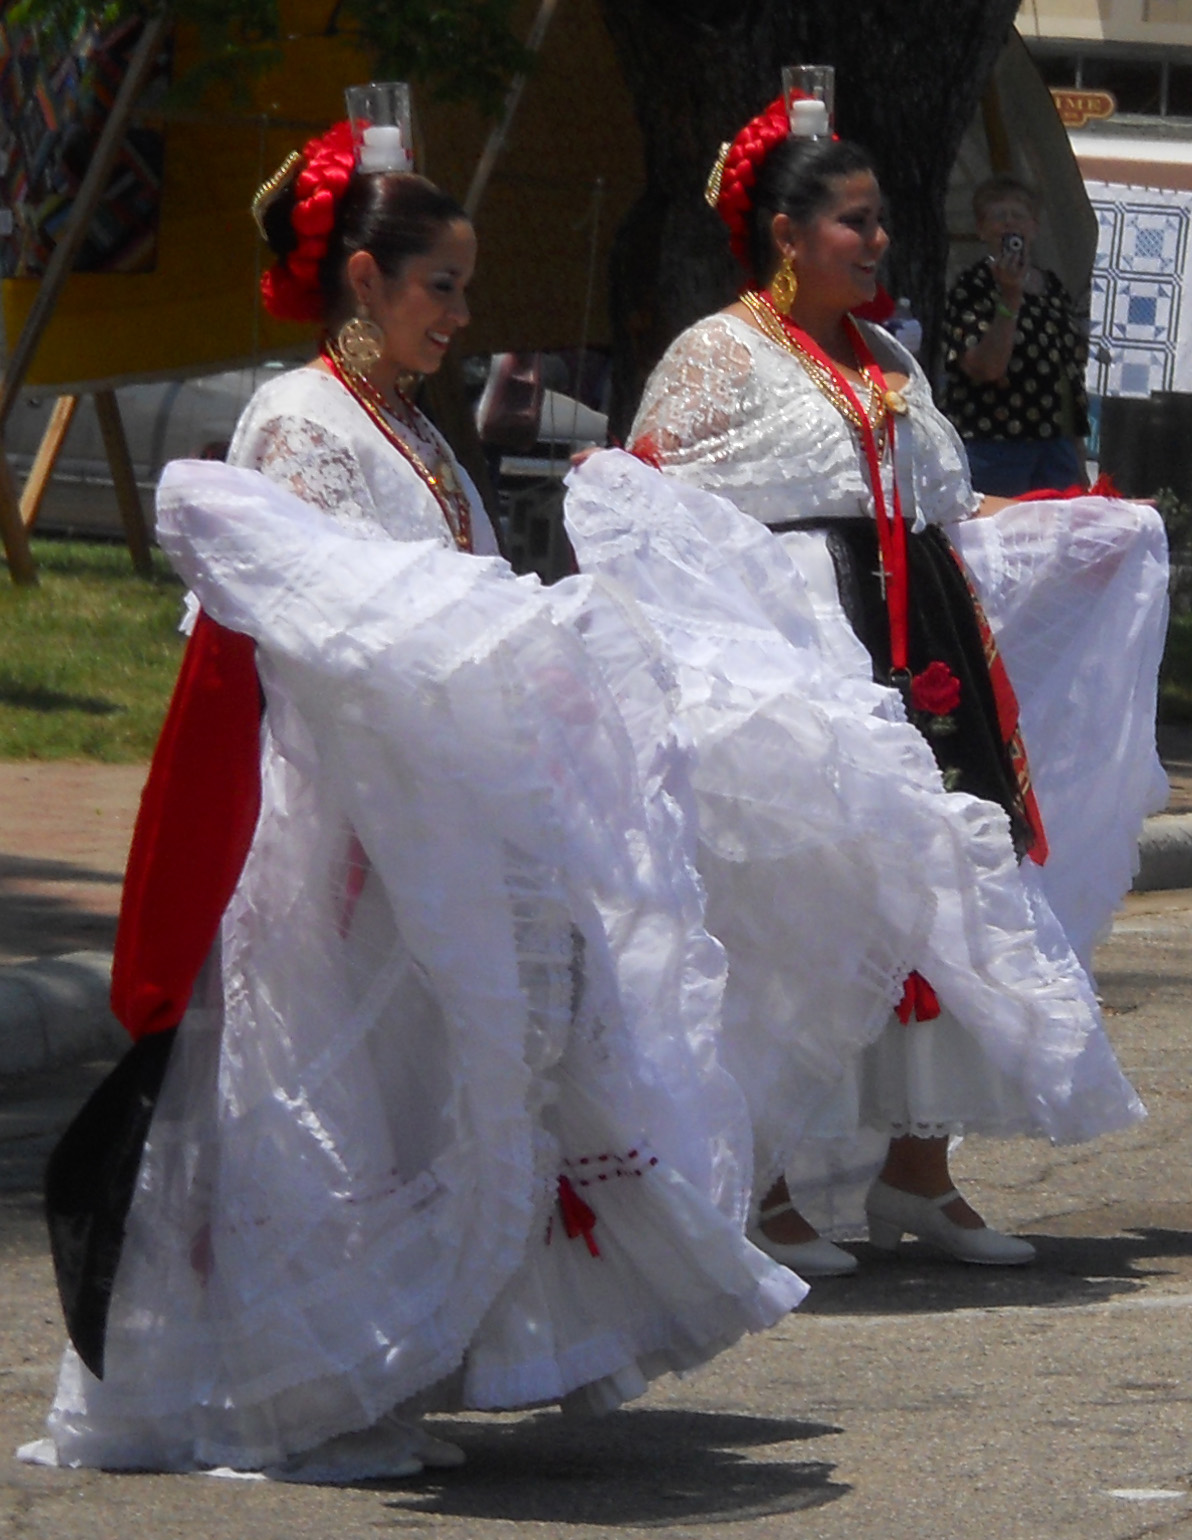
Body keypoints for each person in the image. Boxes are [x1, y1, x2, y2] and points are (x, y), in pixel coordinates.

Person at [20, 111, 805, 1482]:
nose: (460, 313)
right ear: (364, 279)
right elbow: (315, 624)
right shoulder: (297, 421)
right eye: (441, 285)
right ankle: (295, 1397)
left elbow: (450, 609)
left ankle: (390, 1363)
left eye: (463, 286)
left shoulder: (411, 430)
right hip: (338, 813)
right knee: (324, 1093)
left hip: (425, 802)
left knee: (426, 1080)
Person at [563, 99, 1165, 1278]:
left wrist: (1084, 527)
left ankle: (916, 1170)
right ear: (785, 233)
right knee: (802, 897)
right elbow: (654, 515)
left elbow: (946, 506)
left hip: (924, 642)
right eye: (854, 220)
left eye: (881, 219)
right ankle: (763, 1175)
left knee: (944, 885)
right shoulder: (715, 354)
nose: (878, 240)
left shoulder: (888, 359)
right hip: (800, 640)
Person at [939, 174, 1090, 497]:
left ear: (1033, 228)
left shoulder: (1052, 288)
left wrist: (1077, 449)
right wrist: (1010, 297)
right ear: (982, 230)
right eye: (998, 216)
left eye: (1018, 215)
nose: (1009, 223)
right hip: (993, 442)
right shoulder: (973, 286)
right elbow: (985, 368)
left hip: (1054, 443)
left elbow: (1069, 373)